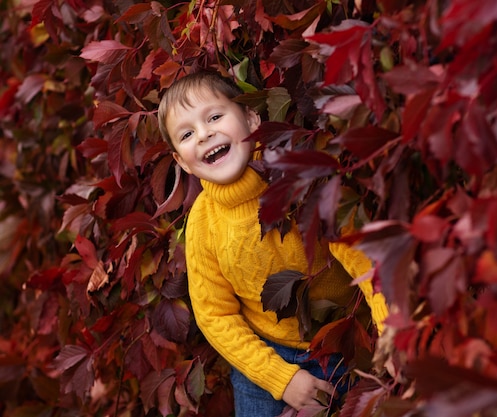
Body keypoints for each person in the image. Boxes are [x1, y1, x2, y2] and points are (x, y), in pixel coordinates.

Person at [157, 70, 388, 416]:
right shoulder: (204, 223)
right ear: (180, 161)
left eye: (215, 117)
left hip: (344, 339)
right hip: (266, 358)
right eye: (187, 134)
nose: (204, 134)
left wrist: (390, 329)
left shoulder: (297, 174)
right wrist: (280, 378)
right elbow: (215, 314)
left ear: (252, 117)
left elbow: (362, 256)